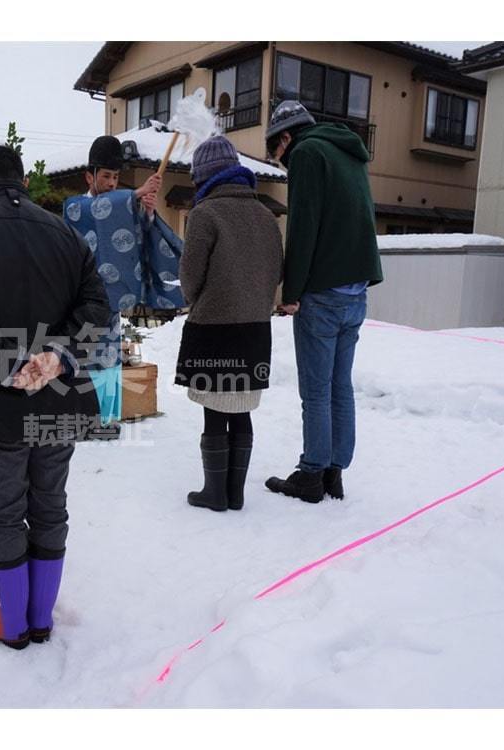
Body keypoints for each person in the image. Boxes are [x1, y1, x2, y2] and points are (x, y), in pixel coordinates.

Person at [0, 144, 111, 649]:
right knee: (50, 506)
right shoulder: (65, 233)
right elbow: (97, 304)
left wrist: (10, 360)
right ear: (23, 184)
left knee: (5, 513)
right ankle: (39, 620)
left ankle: (10, 623)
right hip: (60, 394)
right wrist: (56, 356)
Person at [262, 101, 384, 504]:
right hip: (355, 291)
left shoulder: (308, 153)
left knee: (316, 390)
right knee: (339, 386)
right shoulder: (349, 153)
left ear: (285, 137)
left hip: (323, 294)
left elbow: (304, 225)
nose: (280, 164)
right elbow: (364, 217)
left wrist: (291, 292)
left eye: (277, 154)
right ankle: (334, 472)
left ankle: (311, 475)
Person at [174, 136, 283, 512]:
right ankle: (234, 493)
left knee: (214, 413)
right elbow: (275, 272)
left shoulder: (206, 214)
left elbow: (190, 278)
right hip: (255, 329)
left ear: (204, 176)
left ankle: (214, 493)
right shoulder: (266, 216)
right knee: (242, 409)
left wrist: (200, 299)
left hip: (215, 328)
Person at [62, 136, 186, 438]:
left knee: (108, 360)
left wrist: (145, 211)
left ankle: (105, 421)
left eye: (116, 177)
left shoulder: (122, 203)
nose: (111, 183)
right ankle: (79, 421)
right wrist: (133, 197)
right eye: (105, 176)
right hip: (79, 303)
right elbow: (96, 211)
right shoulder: (75, 207)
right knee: (79, 359)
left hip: (111, 303)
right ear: (88, 175)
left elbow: (139, 237)